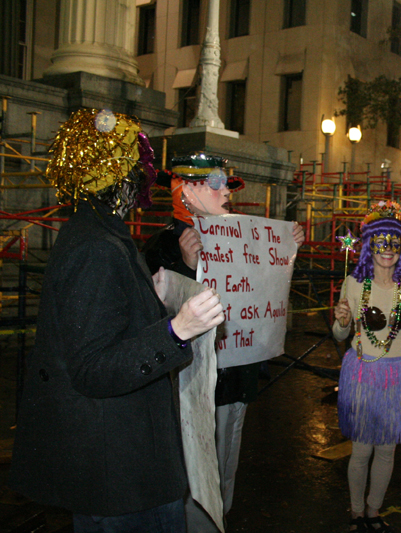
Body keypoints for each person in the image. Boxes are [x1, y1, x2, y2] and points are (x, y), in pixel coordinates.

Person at [9, 108, 224, 532]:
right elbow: (93, 369)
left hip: (120, 468)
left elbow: (108, 327)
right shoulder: (97, 246)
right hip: (121, 477)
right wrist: (176, 329)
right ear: (123, 177)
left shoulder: (96, 232)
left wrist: (153, 304)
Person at [142, 153, 304, 531]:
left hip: (233, 378)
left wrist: (286, 246)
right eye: (216, 185)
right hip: (186, 385)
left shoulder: (242, 234)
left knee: (223, 465)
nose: (226, 194)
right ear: (186, 190)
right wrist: (184, 264)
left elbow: (262, 292)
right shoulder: (161, 246)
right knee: (191, 472)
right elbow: (153, 317)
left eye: (227, 185)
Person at [333, 201, 401, 533]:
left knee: (387, 450)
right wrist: (343, 321)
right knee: (361, 450)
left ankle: (374, 511)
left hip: (399, 373)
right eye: (380, 241)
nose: (387, 249)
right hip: (362, 373)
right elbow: (340, 334)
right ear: (368, 244)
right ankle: (356, 512)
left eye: (394, 241)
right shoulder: (355, 283)